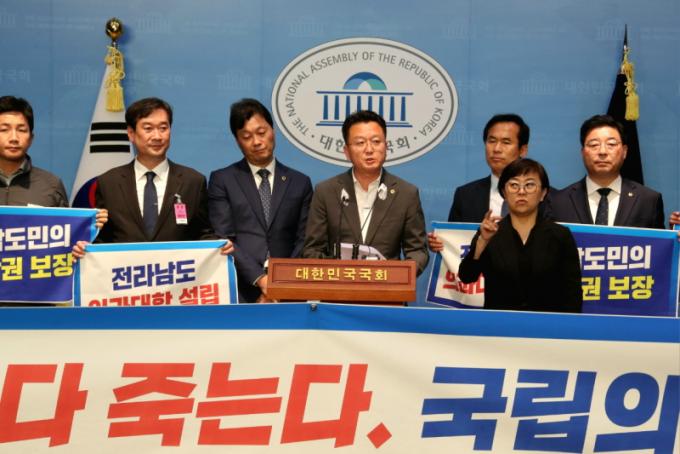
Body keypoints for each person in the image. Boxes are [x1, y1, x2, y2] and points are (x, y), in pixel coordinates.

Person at [73, 97, 231, 256]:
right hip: (128, 269)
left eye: (163, 128)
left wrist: (219, 247)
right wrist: (87, 248)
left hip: (175, 269)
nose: (157, 136)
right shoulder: (109, 182)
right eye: (148, 128)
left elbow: (203, 233)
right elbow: (103, 238)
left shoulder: (193, 181)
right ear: (131, 133)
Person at [208, 99, 312, 303]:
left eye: (261, 132)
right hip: (241, 289)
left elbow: (304, 239)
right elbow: (224, 238)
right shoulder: (223, 180)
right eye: (246, 136)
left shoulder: (300, 182)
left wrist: (280, 283)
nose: (256, 142)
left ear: (273, 131)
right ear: (237, 140)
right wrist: (261, 280)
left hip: (289, 291)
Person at [302, 110, 429, 275]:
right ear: (347, 152)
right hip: (339, 288)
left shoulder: (406, 194)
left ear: (386, 146)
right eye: (360, 143)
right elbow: (312, 250)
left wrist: (401, 275)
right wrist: (336, 274)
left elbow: (417, 250)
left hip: (387, 287)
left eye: (376, 141)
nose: (369, 149)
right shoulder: (326, 192)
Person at [458, 158, 582, 312]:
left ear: (543, 193)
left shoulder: (560, 236)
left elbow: (573, 294)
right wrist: (482, 242)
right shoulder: (489, 233)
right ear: (504, 192)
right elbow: (467, 276)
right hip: (500, 324)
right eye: (514, 185)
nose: (521, 192)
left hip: (546, 325)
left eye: (529, 185)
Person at [428, 113, 530, 251]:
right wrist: (443, 243)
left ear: (522, 150)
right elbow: (455, 241)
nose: (496, 149)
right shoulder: (465, 195)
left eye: (506, 142)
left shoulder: (545, 197)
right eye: (491, 141)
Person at [546, 114, 664, 228]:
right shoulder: (558, 202)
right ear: (582, 152)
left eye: (611, 144)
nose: (602, 152)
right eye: (594, 145)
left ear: (624, 151)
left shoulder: (648, 200)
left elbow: (658, 240)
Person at [0, 96, 68, 207]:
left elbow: (68, 219)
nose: (14, 138)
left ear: (31, 138)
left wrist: (94, 217)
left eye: (21, 130)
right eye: (4, 130)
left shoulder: (51, 185)